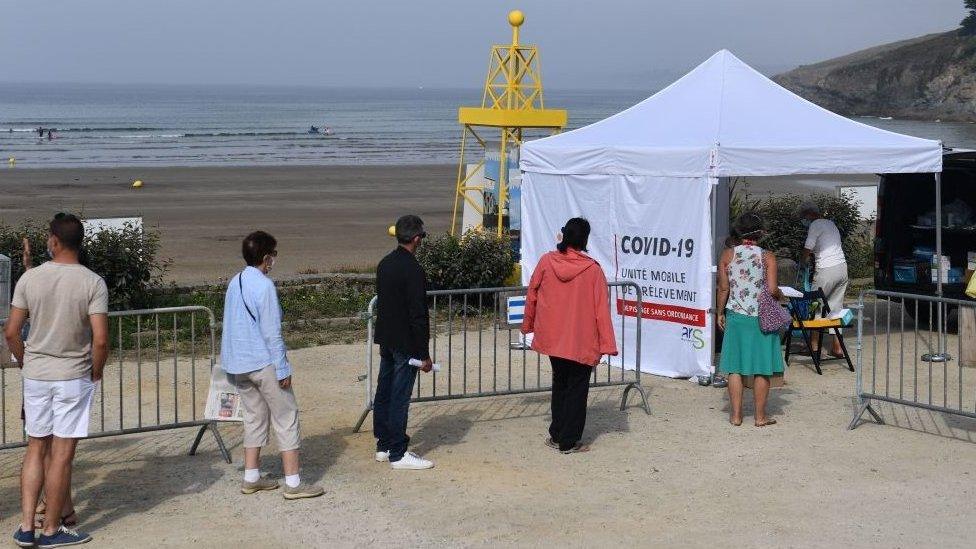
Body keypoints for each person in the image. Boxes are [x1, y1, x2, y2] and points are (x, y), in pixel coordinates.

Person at [4, 213, 108, 547]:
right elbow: (101, 339)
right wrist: (96, 369)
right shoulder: (92, 282)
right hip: (72, 373)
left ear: (54, 240)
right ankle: (51, 529)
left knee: (35, 447)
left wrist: (24, 360)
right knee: (62, 453)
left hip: (37, 373)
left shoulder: (30, 279)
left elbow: (11, 331)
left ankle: (26, 525)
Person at [220, 231, 323, 500]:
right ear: (266, 258)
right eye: (273, 255)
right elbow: (271, 332)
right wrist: (283, 368)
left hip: (238, 362)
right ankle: (293, 482)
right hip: (262, 361)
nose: (274, 260)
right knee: (286, 416)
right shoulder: (265, 286)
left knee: (254, 417)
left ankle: (251, 476)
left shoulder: (235, 281)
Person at [521, 218, 618, 454]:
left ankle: (557, 434)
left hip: (553, 338)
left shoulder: (546, 261)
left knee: (560, 385)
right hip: (581, 340)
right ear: (584, 239)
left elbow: (532, 295)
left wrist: (528, 325)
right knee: (577, 389)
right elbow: (601, 311)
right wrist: (607, 344)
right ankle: (569, 440)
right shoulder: (593, 270)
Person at [373, 215, 434, 470]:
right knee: (400, 396)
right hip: (406, 342)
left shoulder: (385, 264)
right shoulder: (413, 269)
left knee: (384, 391)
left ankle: (384, 445)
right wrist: (424, 354)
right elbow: (418, 315)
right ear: (417, 238)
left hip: (386, 337)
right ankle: (399, 453)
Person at [716, 212, 785, 427]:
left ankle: (736, 416)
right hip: (760, 317)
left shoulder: (728, 255)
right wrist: (781, 295)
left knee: (734, 367)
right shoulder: (768, 257)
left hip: (736, 315)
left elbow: (723, 288)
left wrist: (720, 312)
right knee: (761, 367)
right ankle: (760, 417)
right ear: (760, 232)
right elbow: (773, 290)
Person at [799, 201, 848, 358]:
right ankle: (837, 347)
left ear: (808, 215)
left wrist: (802, 260)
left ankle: (814, 347)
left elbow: (809, 246)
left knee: (816, 306)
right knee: (836, 307)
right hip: (842, 268)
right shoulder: (831, 224)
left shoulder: (815, 225)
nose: (803, 221)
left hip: (826, 270)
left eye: (803, 217)